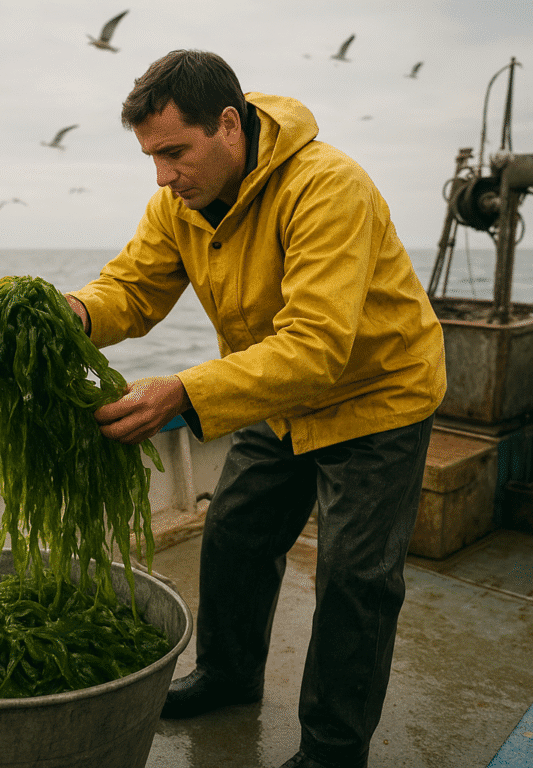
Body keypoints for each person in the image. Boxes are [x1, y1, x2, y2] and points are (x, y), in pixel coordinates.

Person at [65, 49, 446, 768]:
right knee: (236, 535)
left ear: (230, 126)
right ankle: (229, 676)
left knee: (355, 577)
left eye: (174, 152)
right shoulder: (175, 206)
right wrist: (76, 311)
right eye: (151, 157)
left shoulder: (328, 188)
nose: (162, 176)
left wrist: (182, 392)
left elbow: (316, 346)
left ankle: (332, 752)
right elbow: (135, 289)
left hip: (378, 394)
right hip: (277, 395)